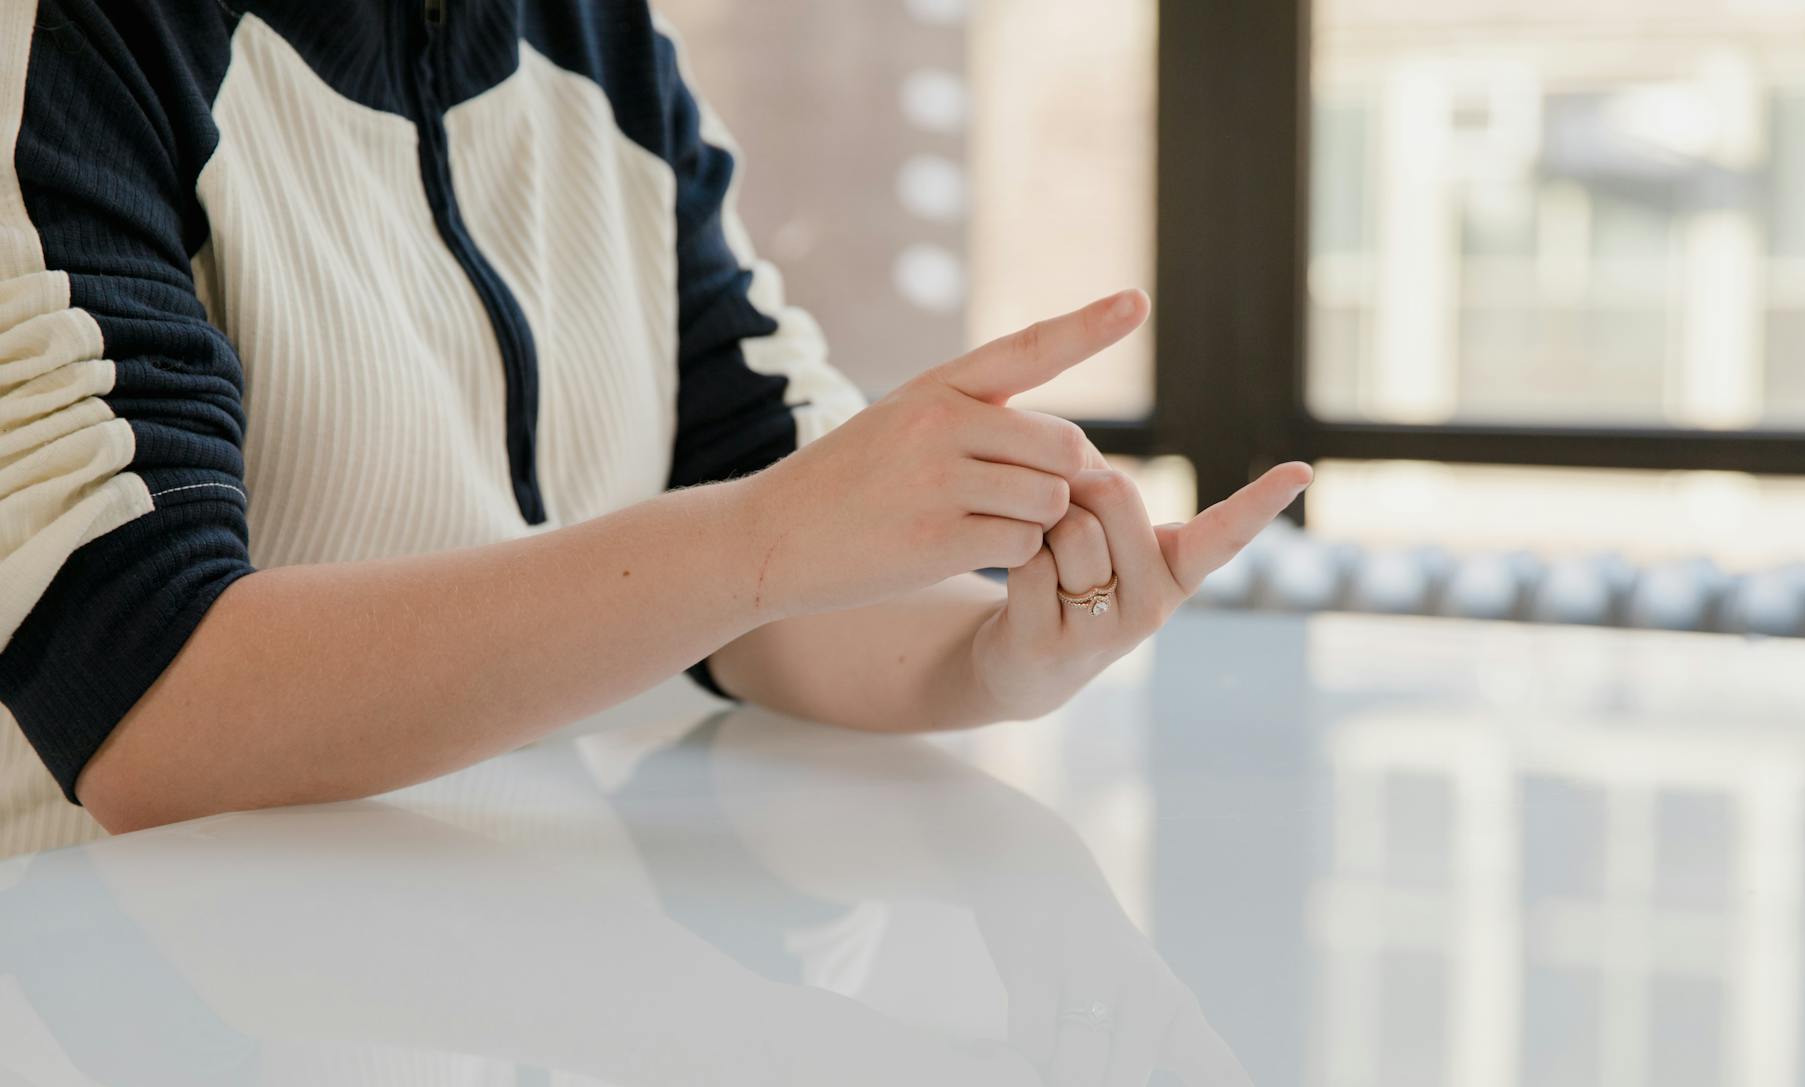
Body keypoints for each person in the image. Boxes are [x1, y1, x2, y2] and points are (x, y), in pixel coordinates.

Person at [0, 0, 1311, 852]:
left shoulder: (599, 47)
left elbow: (772, 573)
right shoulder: (66, 44)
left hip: (540, 1013)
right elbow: (149, 707)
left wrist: (998, 656)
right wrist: (771, 534)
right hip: (164, 1076)